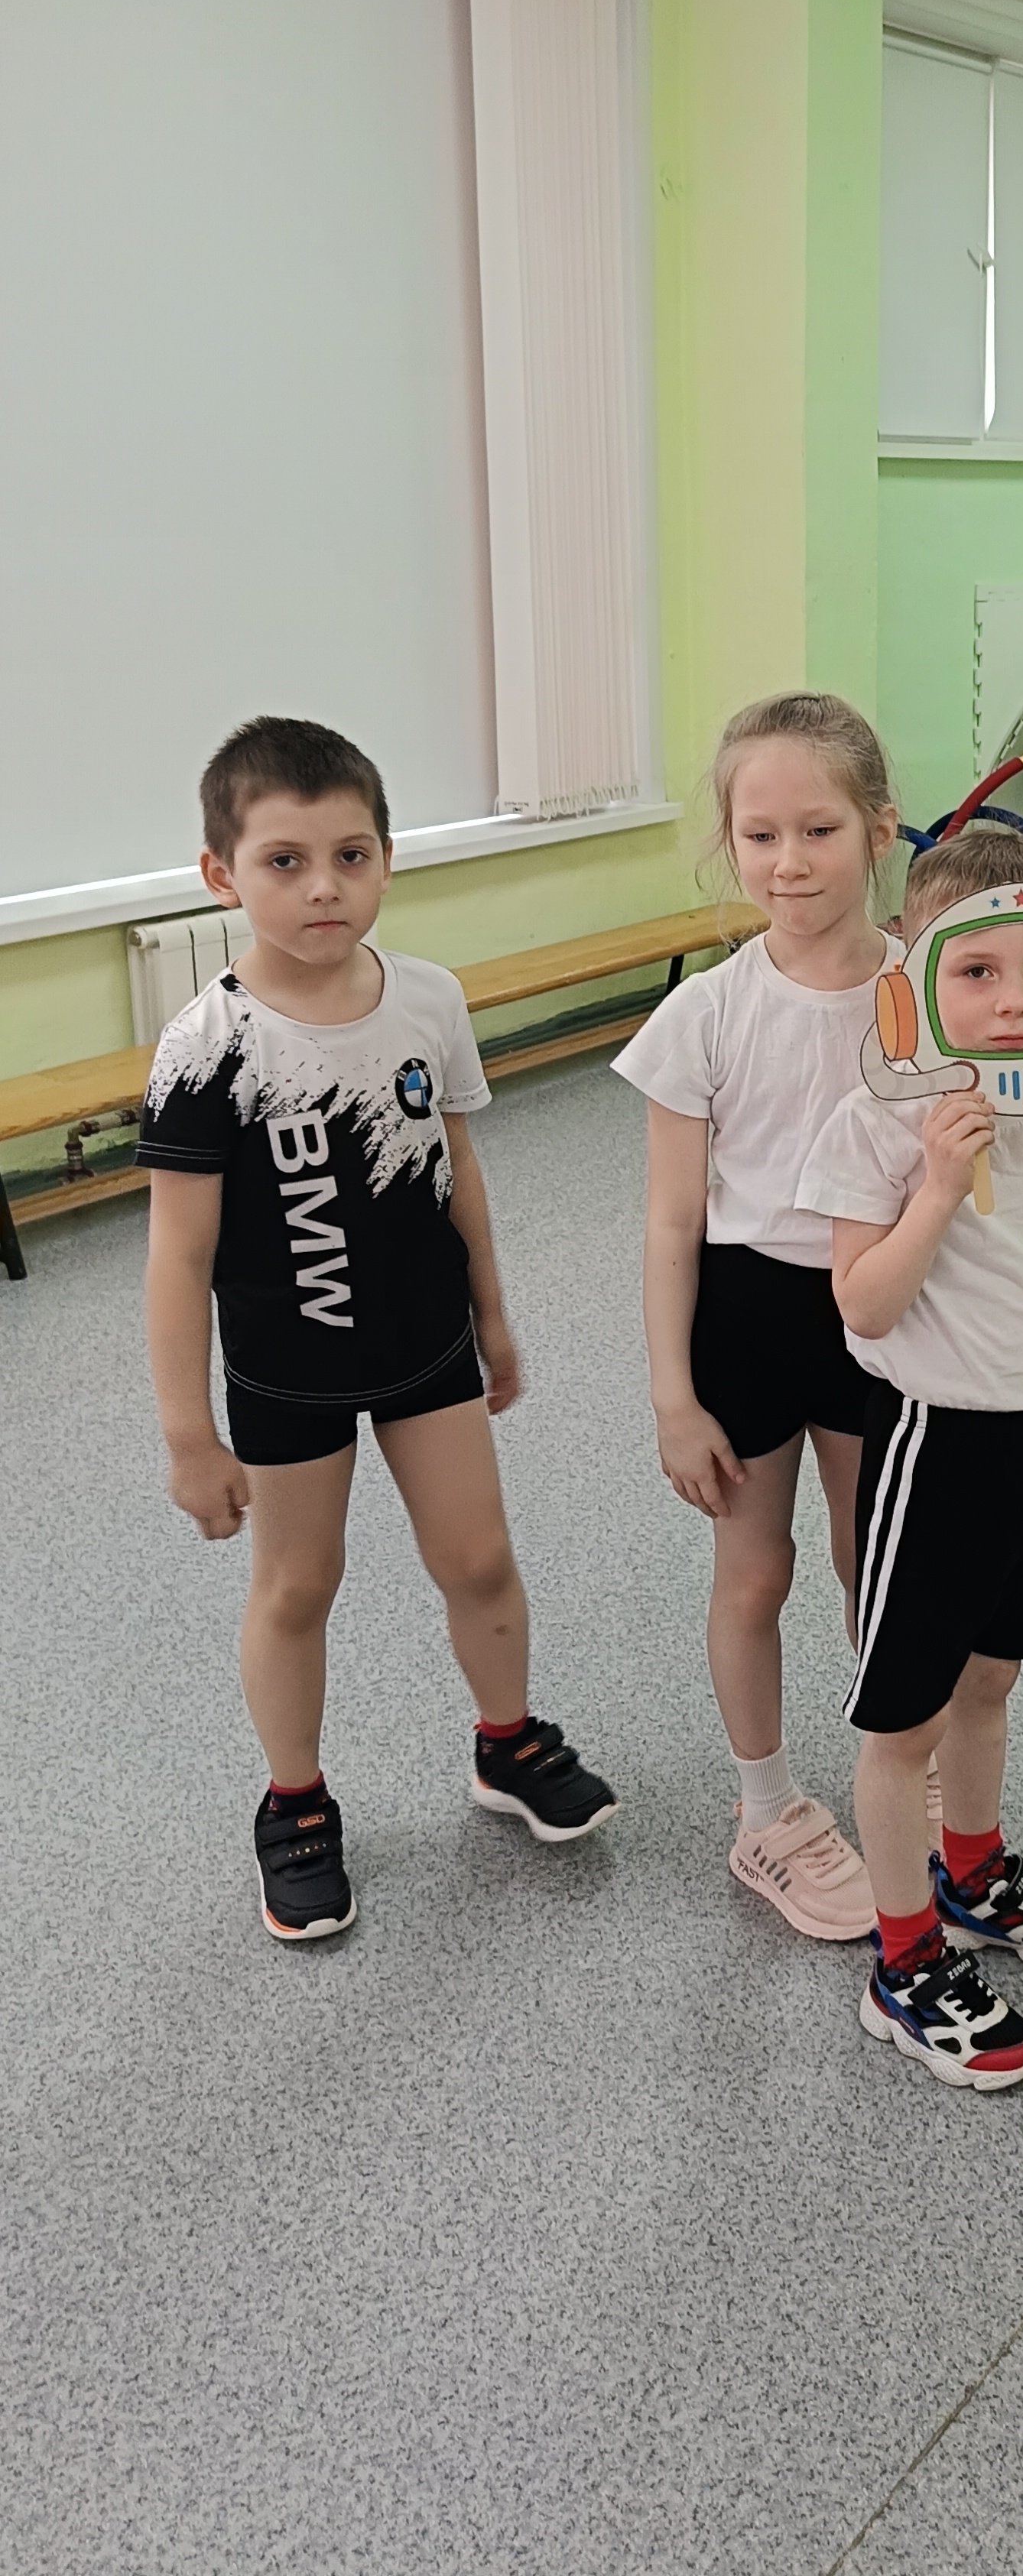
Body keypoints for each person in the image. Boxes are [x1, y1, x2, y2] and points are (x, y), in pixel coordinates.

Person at [140, 718, 617, 1945]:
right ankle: (294, 1802)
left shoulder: (428, 1000)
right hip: (286, 1369)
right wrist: (189, 1435)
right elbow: (177, 1257)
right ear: (221, 876)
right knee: (299, 1584)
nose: (324, 888)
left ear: (388, 860)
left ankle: (506, 1742)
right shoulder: (208, 1047)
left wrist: (493, 1315)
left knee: (479, 1559)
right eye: (285, 861)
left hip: (425, 1347)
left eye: (351, 856)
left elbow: (456, 1165)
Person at [795, 822, 1023, 2093]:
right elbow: (864, 1307)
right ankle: (901, 1960)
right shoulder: (875, 1121)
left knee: (996, 1677)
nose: (1013, 1001)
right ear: (917, 973)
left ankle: (974, 1870)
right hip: (937, 1442)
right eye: (978, 971)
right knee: (907, 1718)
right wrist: (937, 1184)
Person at [613, 693, 901, 1943]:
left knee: (873, 1560)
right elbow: (671, 1225)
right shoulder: (704, 1015)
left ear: (880, 830)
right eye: (760, 834)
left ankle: (902, 1767)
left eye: (819, 831)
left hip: (883, 1303)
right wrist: (674, 1400)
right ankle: (768, 1810)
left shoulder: (928, 995)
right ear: (729, 840)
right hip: (748, 1309)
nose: (788, 863)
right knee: (755, 1571)